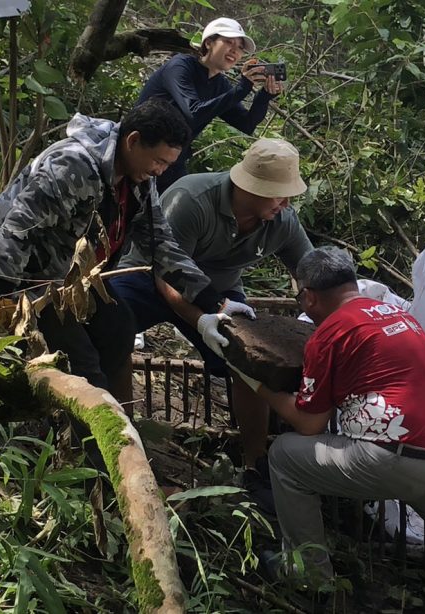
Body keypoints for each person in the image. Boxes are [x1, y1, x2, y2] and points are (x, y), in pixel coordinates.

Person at [229, 247, 425, 614]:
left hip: (392, 459)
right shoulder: (399, 316)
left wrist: (255, 383)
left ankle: (309, 575)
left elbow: (309, 423)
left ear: (309, 296)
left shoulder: (330, 332)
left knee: (285, 456)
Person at [0, 99, 237, 400]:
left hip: (67, 273)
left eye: (167, 165)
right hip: (16, 272)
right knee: (81, 365)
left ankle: (115, 410)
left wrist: (212, 301)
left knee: (119, 327)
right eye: (158, 161)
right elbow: (19, 227)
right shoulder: (73, 165)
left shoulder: (139, 179)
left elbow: (159, 241)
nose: (160, 171)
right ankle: (87, 419)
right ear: (133, 141)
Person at [110, 138, 313, 512]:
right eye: (277, 195)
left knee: (248, 361)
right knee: (112, 329)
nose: (284, 203)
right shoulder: (192, 200)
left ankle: (255, 464)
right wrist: (199, 319)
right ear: (251, 187)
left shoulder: (281, 221)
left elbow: (310, 272)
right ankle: (123, 442)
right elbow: (168, 269)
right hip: (148, 276)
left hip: (220, 293)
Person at [136, 17, 282, 191]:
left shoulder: (219, 84)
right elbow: (194, 112)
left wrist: (265, 95)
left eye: (240, 48)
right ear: (208, 43)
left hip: (173, 161)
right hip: (143, 151)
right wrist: (242, 88)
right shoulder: (181, 66)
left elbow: (247, 123)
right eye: (229, 42)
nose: (234, 50)